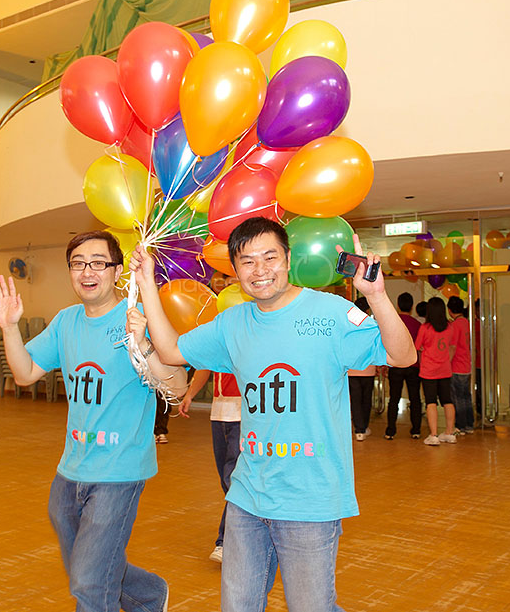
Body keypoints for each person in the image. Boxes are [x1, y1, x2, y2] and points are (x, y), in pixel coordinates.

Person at [130, 217, 416, 612]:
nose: (259, 270)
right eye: (247, 261)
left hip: (310, 500)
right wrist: (146, 284)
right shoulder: (233, 323)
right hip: (247, 497)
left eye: (270, 257)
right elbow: (172, 351)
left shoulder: (331, 313)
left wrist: (377, 296)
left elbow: (403, 356)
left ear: (288, 259)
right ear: (235, 269)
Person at [0, 230, 185, 612]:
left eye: (98, 263)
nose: (87, 272)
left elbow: (177, 387)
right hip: (70, 471)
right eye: (78, 264)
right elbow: (25, 373)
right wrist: (9, 327)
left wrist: (143, 344)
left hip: (120, 471)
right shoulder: (66, 322)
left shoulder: (137, 320)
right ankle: (148, 596)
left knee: (89, 582)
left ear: (117, 271)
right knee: (89, 566)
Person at [179, 368, 241, 563]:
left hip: (244, 415)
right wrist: (190, 394)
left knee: (234, 482)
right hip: (219, 415)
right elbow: (205, 366)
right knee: (226, 482)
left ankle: (226, 542)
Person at [416, 297, 457, 446]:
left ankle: (433, 435)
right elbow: (452, 347)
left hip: (428, 370)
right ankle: (449, 433)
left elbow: (417, 346)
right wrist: (446, 361)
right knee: (447, 400)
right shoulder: (450, 327)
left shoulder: (425, 328)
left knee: (431, 401)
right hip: (445, 369)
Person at [385, 292, 422, 439]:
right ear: (412, 307)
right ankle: (416, 430)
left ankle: (390, 431)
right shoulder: (417, 324)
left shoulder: (393, 322)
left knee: (394, 398)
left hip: (395, 365)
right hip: (413, 365)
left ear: (398, 305)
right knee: (415, 398)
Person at [348, 296, 376, 441]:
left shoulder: (348, 325)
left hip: (352, 370)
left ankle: (358, 430)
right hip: (368, 369)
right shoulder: (371, 325)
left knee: (355, 400)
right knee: (366, 400)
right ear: (367, 310)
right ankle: (364, 427)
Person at [447, 296, 474, 434]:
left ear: (449, 310)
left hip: (456, 365)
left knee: (457, 398)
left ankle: (461, 425)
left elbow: (452, 347)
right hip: (467, 365)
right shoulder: (467, 323)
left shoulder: (455, 326)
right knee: (466, 396)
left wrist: (447, 363)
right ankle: (469, 423)